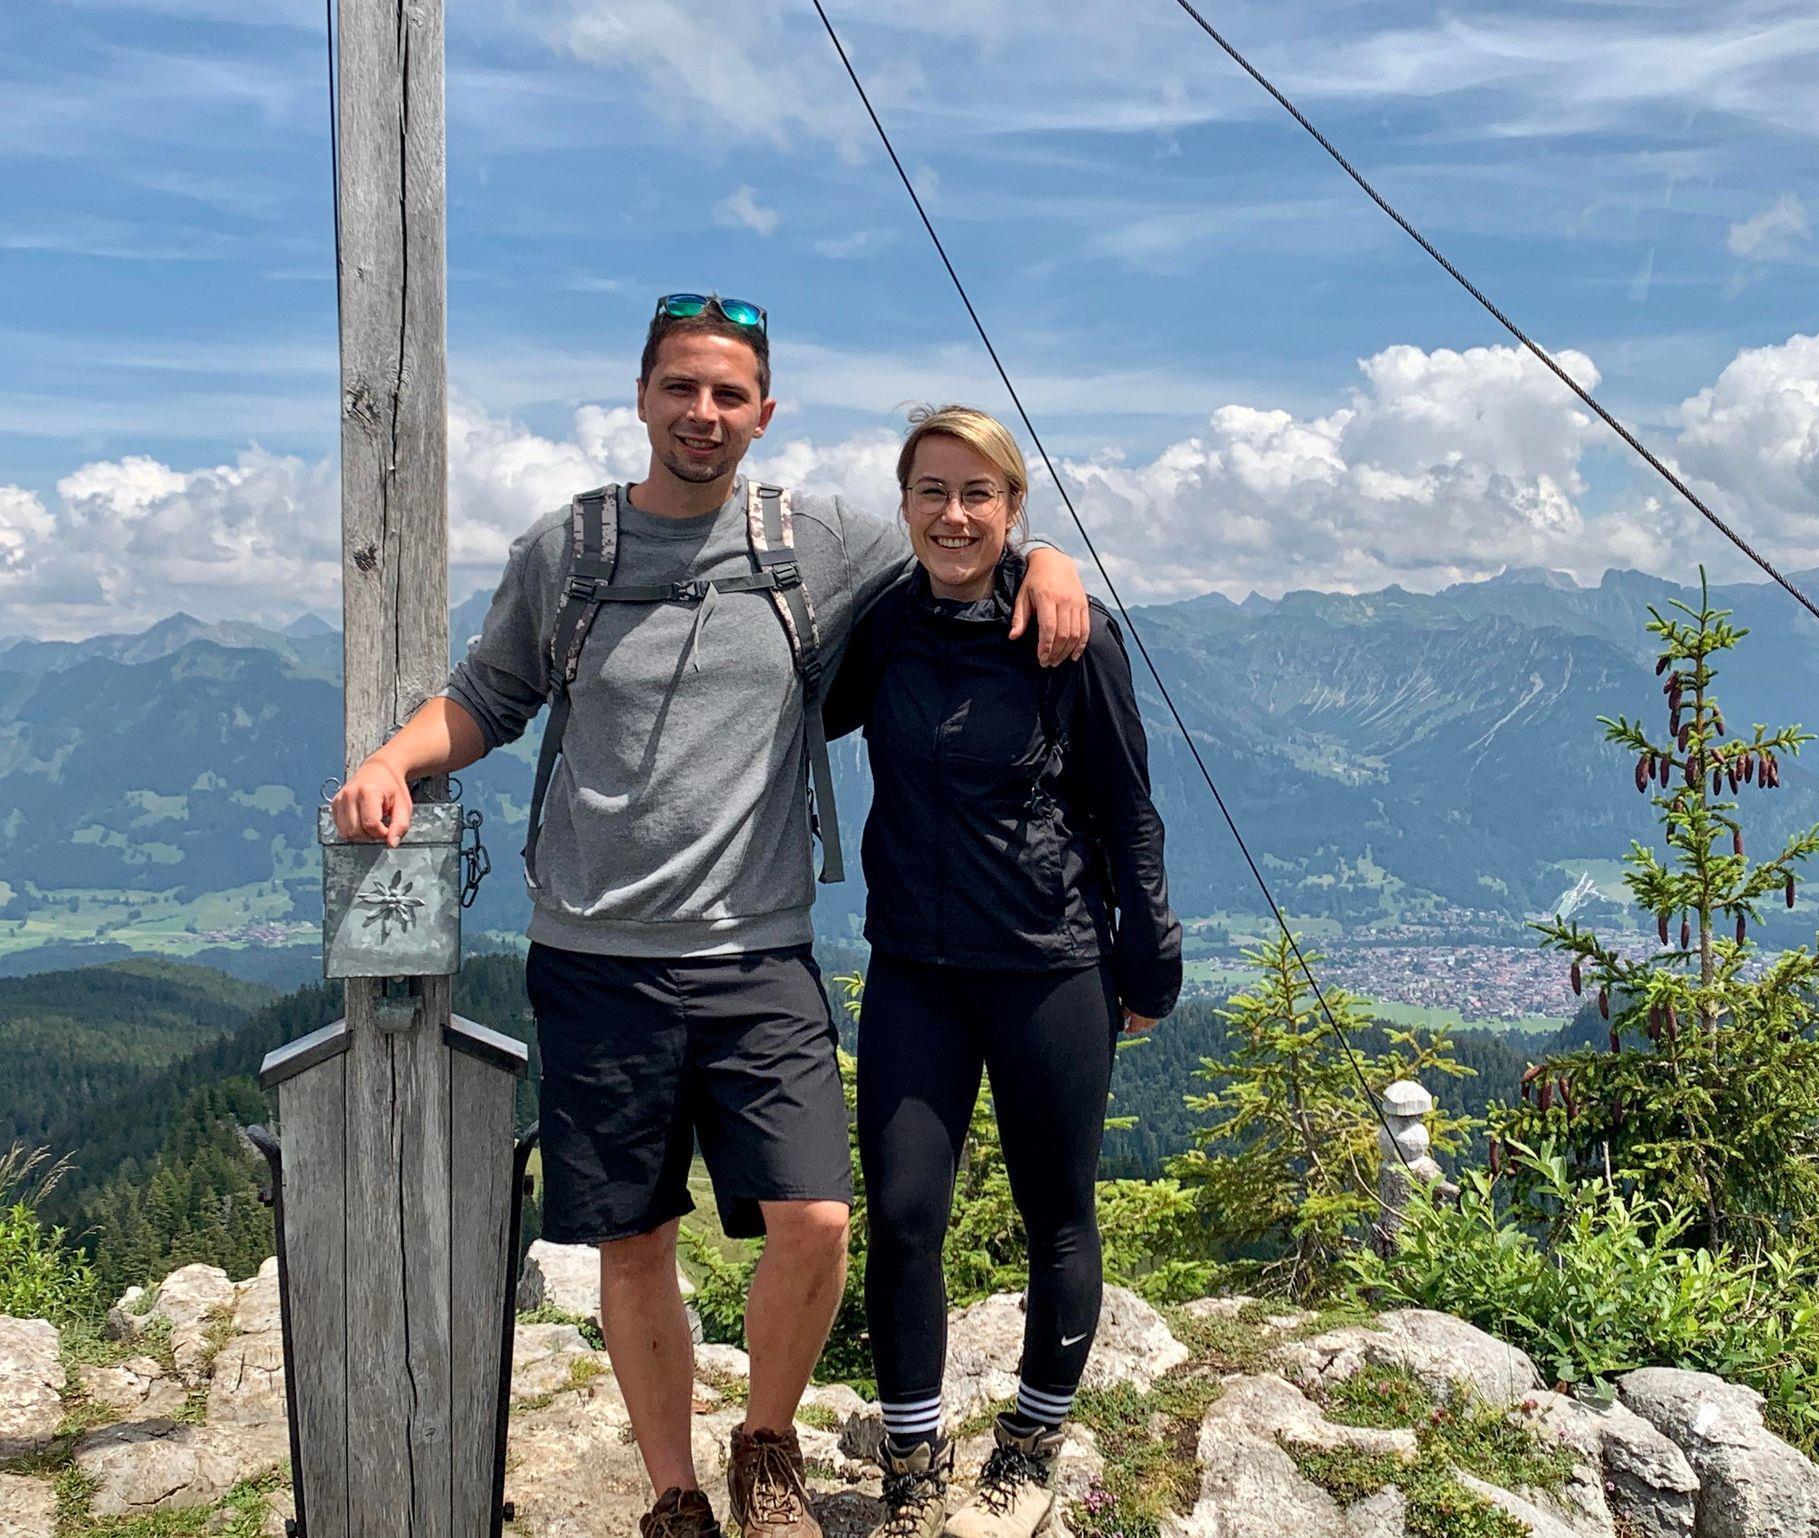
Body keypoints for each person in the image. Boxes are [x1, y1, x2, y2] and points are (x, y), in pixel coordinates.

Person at [326, 299, 1092, 1538]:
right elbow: (488, 694)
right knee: (635, 1242)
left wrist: (1045, 560)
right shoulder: (567, 549)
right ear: (641, 397)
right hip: (594, 952)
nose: (702, 413)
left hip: (757, 949)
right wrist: (391, 759)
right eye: (681, 387)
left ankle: (766, 1443)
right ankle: (674, 1492)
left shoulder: (813, 539)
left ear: (763, 413)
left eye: (728, 394)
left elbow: (955, 540)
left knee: (816, 1218)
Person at [825, 406, 1182, 1538]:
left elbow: (1129, 808)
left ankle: (1030, 1444)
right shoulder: (884, 626)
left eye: (978, 493)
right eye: (932, 491)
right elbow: (793, 704)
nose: (954, 514)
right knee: (902, 1218)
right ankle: (912, 1461)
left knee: (1056, 1215)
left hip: (1048, 966)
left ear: (1013, 506)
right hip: (915, 968)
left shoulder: (1070, 635)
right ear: (904, 506)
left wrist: (1150, 961)